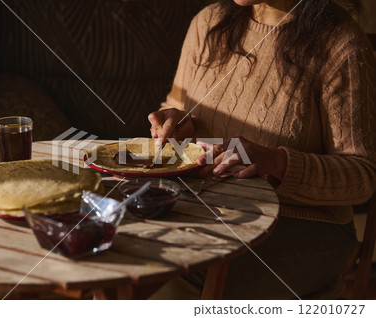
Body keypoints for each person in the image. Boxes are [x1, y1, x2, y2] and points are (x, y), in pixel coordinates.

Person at [147, 0, 376, 299]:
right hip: (208, 211)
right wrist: (179, 122)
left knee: (188, 272)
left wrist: (278, 163)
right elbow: (177, 103)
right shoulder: (208, 23)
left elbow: (363, 176)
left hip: (304, 226)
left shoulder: (341, 45)